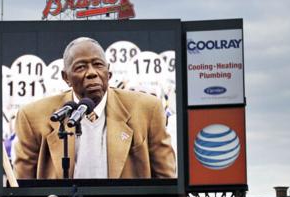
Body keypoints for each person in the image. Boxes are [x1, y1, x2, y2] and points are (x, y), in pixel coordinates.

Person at [12, 36, 177, 180]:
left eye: (98, 65)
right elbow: (21, 187)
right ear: (66, 77)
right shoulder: (32, 116)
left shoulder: (147, 109)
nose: (92, 73)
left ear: (108, 72)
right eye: (81, 67)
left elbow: (166, 179)